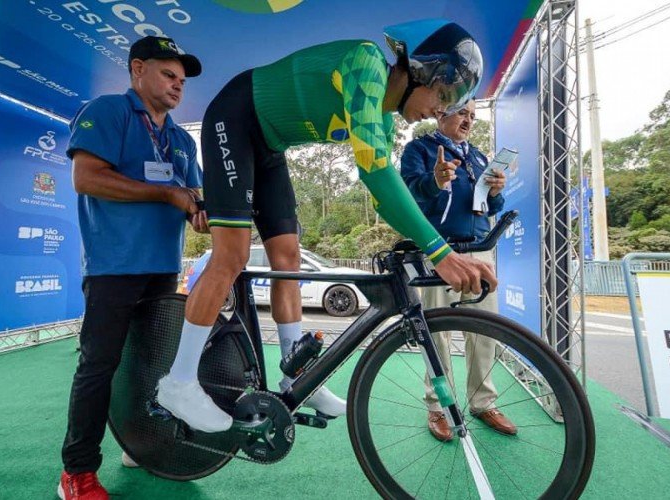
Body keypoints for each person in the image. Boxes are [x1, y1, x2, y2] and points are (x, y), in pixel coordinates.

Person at [155, 18, 498, 433]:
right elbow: (374, 172)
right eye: (443, 95)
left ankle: (293, 374)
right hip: (235, 116)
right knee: (232, 256)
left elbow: (382, 195)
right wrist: (440, 252)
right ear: (419, 69)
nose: (442, 109)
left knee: (289, 259)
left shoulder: (384, 121)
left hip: (269, 146)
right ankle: (178, 383)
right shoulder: (367, 64)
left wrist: (435, 247)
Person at [58, 36, 204, 500]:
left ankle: (139, 446)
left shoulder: (182, 140)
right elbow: (87, 178)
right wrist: (165, 193)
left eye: (181, 80)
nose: (177, 86)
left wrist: (204, 211)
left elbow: (194, 201)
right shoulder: (107, 111)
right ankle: (76, 473)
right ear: (137, 69)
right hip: (112, 267)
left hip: (163, 269)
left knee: (149, 365)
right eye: (168, 74)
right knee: (100, 366)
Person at [400, 99, 517, 441]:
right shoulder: (418, 150)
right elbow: (408, 194)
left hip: (479, 251)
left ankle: (483, 403)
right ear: (441, 114)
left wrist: (496, 193)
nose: (469, 121)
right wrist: (433, 181)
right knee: (435, 334)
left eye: (472, 116)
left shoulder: (480, 156)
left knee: (484, 334)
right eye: (463, 114)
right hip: (439, 252)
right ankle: (438, 407)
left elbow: (488, 206)